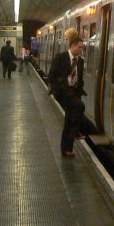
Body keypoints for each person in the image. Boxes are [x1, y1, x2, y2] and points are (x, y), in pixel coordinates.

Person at [48, 29, 86, 157]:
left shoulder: (80, 61)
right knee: (80, 106)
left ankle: (66, 149)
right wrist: (61, 87)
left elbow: (79, 78)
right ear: (73, 46)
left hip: (74, 92)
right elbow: (52, 76)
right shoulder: (61, 57)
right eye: (80, 47)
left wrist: (80, 89)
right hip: (63, 92)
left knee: (69, 119)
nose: (81, 50)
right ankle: (75, 131)